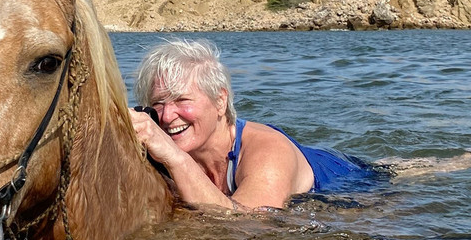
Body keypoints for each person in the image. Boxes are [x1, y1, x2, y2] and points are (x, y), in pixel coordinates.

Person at [128, 38, 389, 211]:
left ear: (220, 102)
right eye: (158, 103)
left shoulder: (268, 151)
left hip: (352, 180)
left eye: (182, 100)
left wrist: (175, 158)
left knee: (405, 172)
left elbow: (248, 225)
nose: (166, 116)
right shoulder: (164, 145)